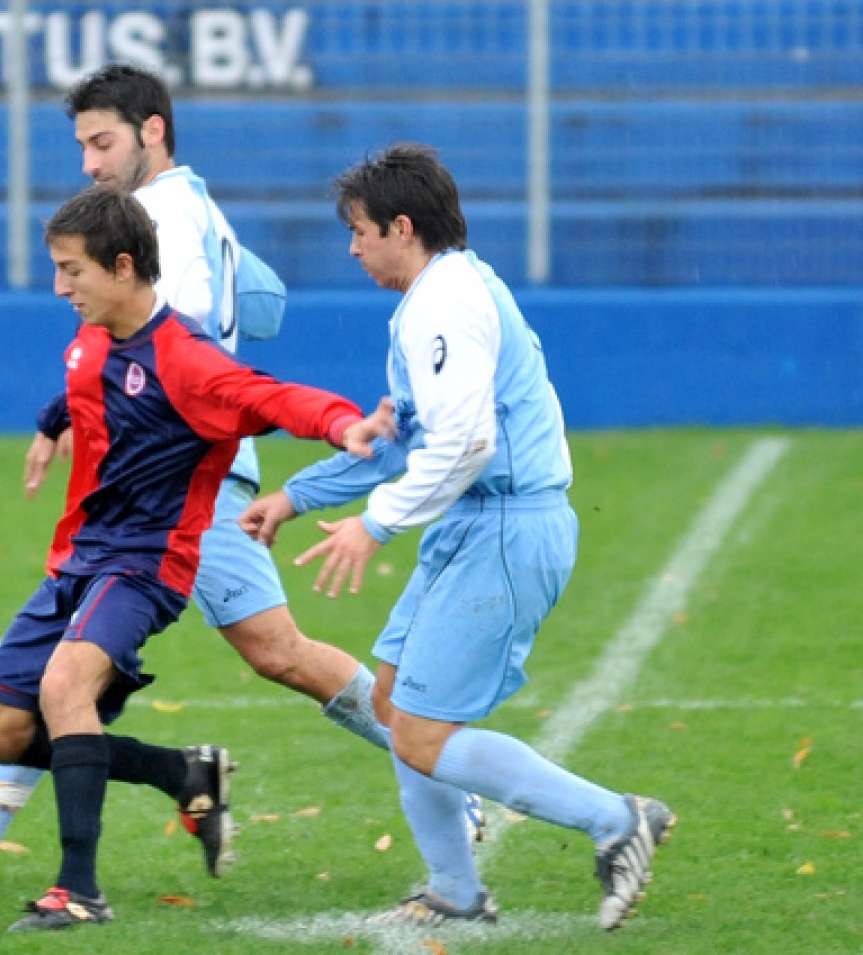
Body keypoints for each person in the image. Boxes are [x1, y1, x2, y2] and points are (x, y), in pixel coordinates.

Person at [0, 61, 482, 889]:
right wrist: (68, 414)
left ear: (152, 130)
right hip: (183, 462)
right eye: (82, 144)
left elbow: (167, 347)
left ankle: (447, 777)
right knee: (222, 656)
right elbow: (264, 306)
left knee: (246, 654)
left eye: (102, 141)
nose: (89, 161)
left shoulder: (155, 218)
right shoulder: (199, 206)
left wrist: (275, 413)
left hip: (183, 474)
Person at [0, 185, 378, 931]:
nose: (59, 287)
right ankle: (180, 771)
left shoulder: (189, 362)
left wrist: (345, 425)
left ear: (121, 267)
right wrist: (52, 425)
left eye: (70, 270)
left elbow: (274, 399)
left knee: (64, 684)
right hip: (77, 563)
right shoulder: (90, 340)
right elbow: (86, 389)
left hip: (147, 565)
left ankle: (78, 890)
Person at [239, 143, 675, 930]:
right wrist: (296, 497)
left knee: (425, 735)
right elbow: (411, 443)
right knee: (391, 699)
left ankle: (617, 819)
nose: (352, 246)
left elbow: (466, 446)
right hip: (480, 523)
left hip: (507, 526)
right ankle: (455, 893)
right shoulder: (438, 298)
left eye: (360, 230)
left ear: (402, 227)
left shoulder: (445, 304)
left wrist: (373, 527)